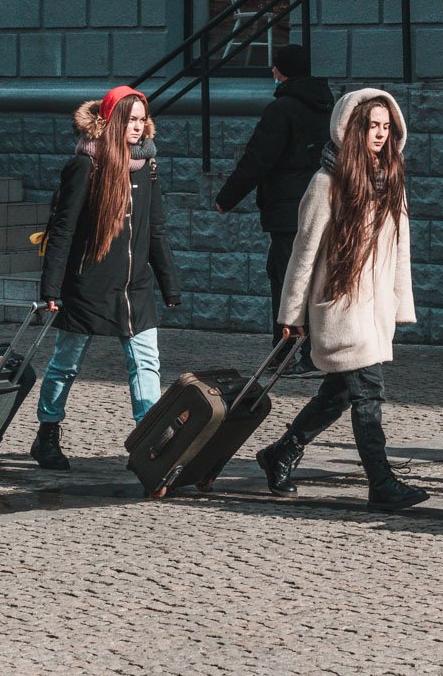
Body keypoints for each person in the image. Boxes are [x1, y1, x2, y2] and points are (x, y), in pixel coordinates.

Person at [253, 88, 428, 512]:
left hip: (376, 307)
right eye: (372, 126)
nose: (381, 135)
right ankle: (381, 482)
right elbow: (303, 253)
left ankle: (281, 452)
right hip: (341, 305)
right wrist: (291, 315)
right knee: (369, 391)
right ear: (352, 128)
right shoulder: (326, 182)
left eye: (387, 127)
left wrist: (400, 303)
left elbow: (399, 248)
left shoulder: (391, 178)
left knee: (338, 393)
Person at [32, 86, 180, 470]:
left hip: (136, 285)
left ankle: (149, 441)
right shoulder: (86, 164)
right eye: (130, 119)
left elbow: (156, 227)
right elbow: (62, 229)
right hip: (89, 283)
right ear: (113, 121)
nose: (138, 126)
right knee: (66, 362)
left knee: (147, 363)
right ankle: (47, 432)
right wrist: (50, 289)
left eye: (142, 119)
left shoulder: (147, 165)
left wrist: (169, 283)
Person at [215, 44, 334, 377]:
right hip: (325, 206)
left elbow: (258, 158)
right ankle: (317, 355)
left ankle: (286, 355)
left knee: (286, 280)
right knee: (316, 279)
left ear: (282, 71)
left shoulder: (281, 109)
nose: (271, 72)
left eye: (274, 67)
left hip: (288, 210)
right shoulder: (330, 106)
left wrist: (227, 198)